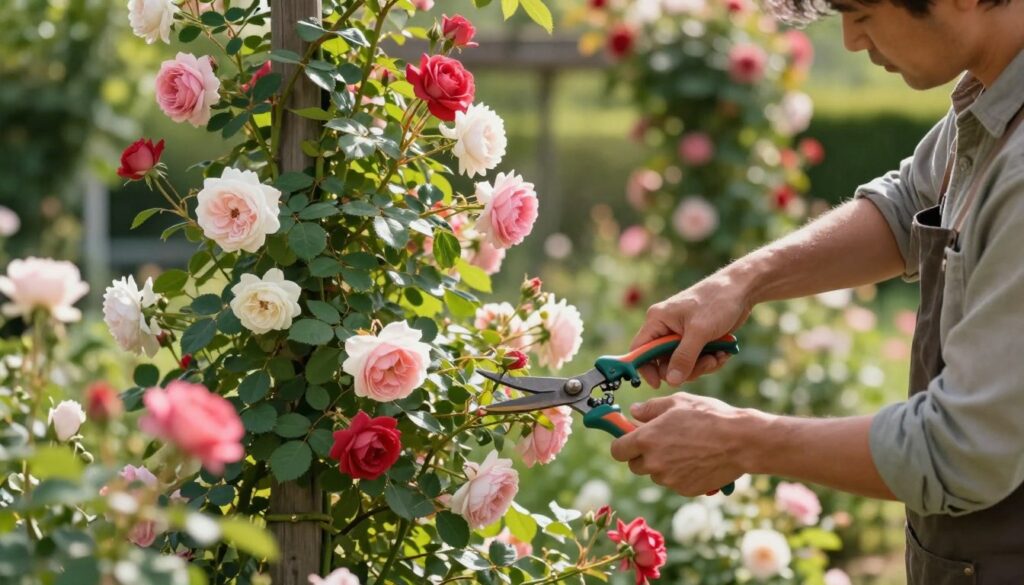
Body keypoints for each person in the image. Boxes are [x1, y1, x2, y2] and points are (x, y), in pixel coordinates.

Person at [608, 0, 1024, 581]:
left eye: (861, 12)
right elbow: (910, 202)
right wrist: (741, 282)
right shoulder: (993, 96)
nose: (852, 40)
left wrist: (743, 441)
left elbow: (962, 449)